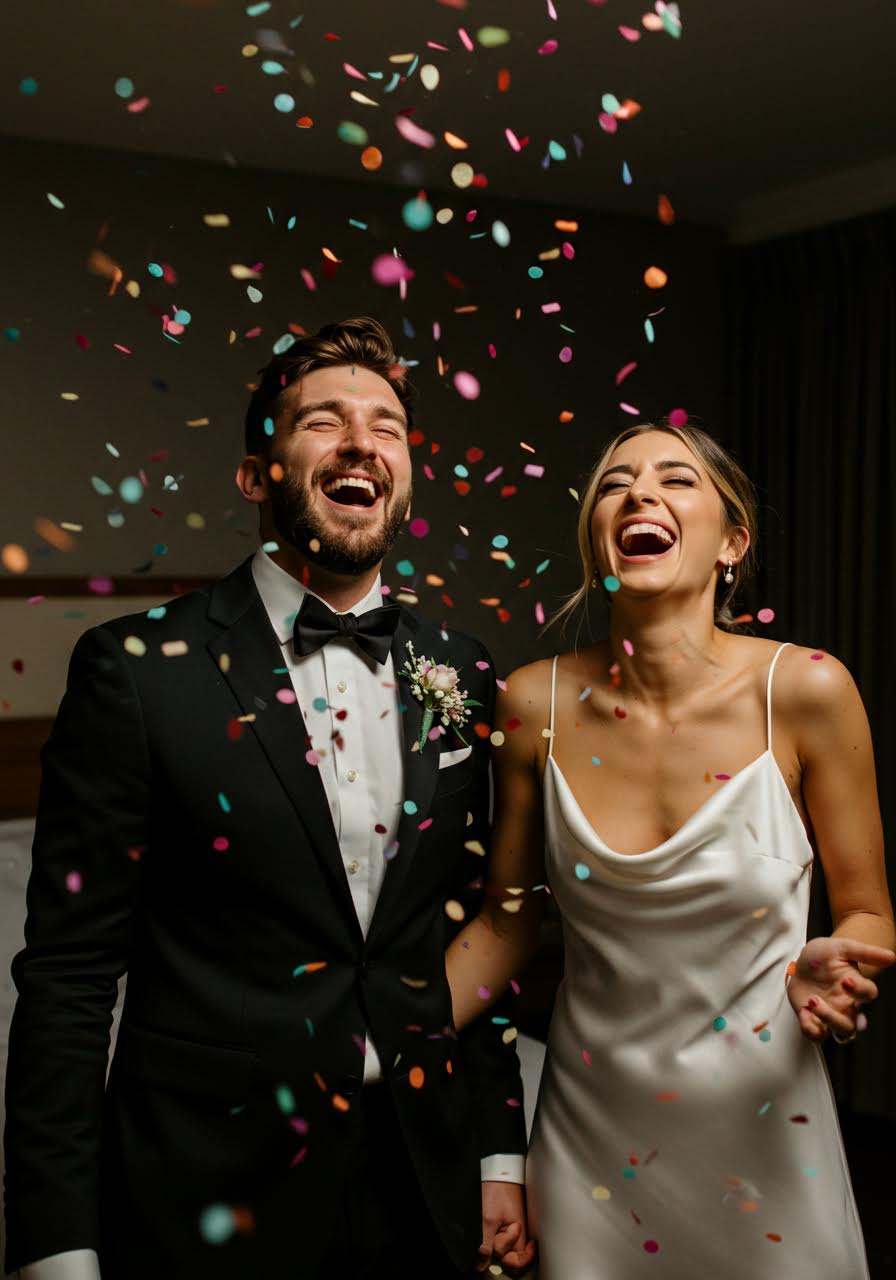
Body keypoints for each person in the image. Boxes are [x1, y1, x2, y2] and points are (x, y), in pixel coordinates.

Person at [3, 317, 537, 1279]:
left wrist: (501, 1152)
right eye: (322, 421)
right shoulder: (135, 670)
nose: (361, 441)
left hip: (426, 1178)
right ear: (258, 476)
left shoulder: (460, 669)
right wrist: (54, 1242)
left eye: (387, 425)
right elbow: (69, 979)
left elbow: (469, 929)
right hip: (210, 1192)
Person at [446, 421, 896, 1279]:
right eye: (616, 483)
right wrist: (372, 1041)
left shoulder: (805, 689)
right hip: (590, 1149)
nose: (639, 494)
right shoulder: (530, 703)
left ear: (733, 542)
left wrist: (828, 966)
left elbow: (870, 910)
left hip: (769, 1139)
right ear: (596, 537)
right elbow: (504, 930)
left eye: (674, 480)